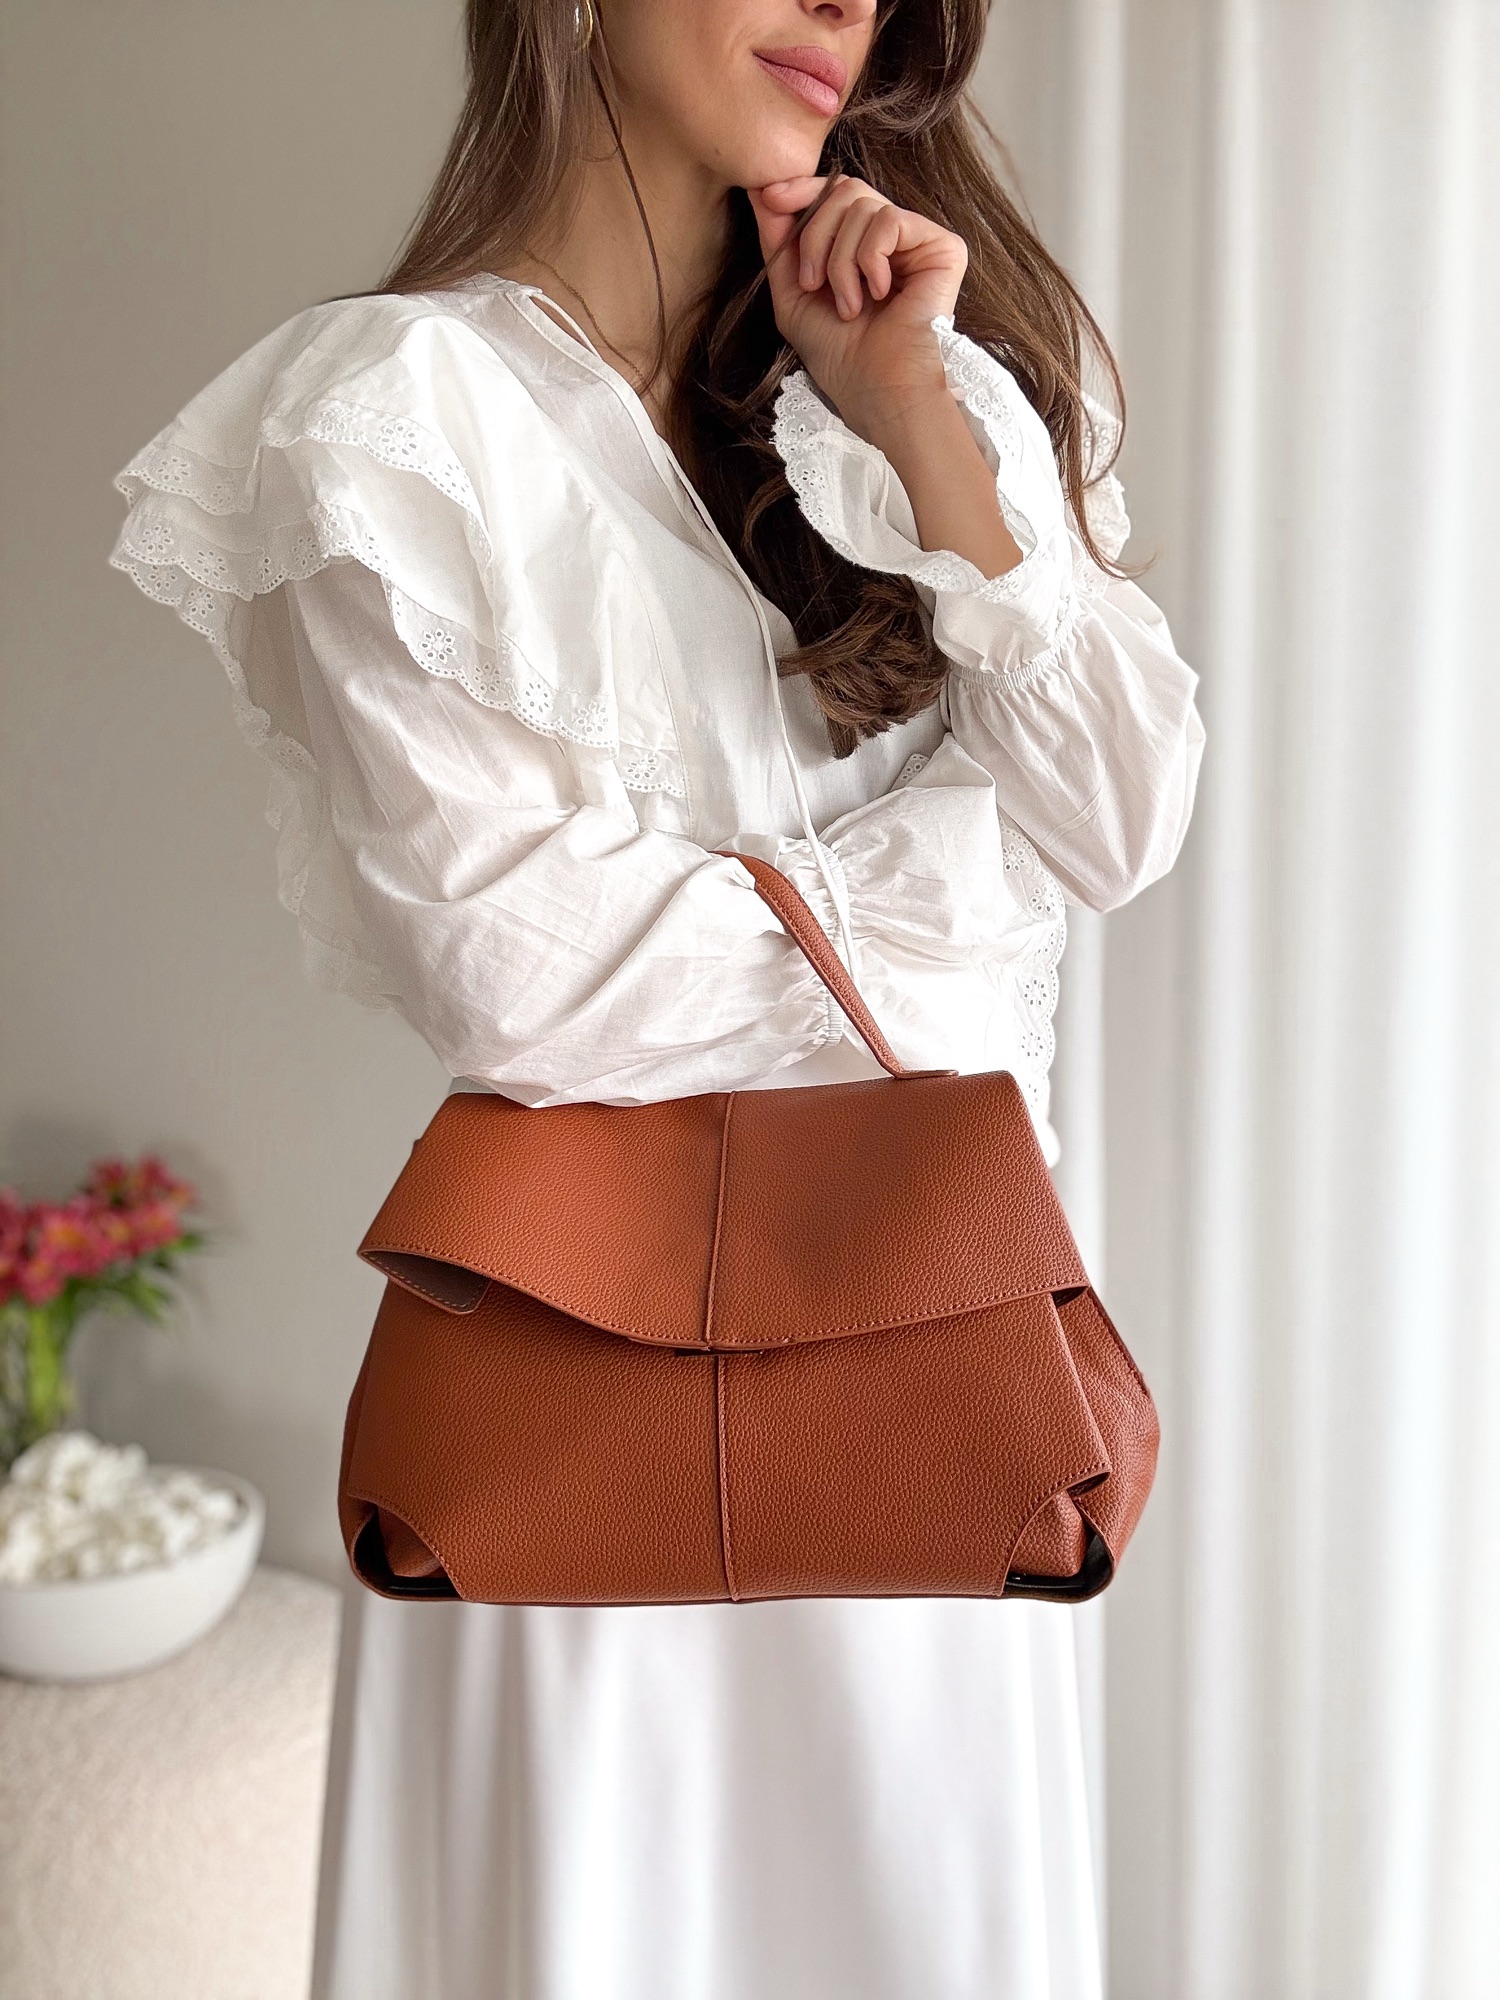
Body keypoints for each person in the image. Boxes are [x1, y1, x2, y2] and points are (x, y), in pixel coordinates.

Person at [111, 1, 1203, 1993]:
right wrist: (959, 894)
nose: (846, 2)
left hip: (931, 1447)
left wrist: (911, 416)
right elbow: (529, 981)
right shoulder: (396, 419)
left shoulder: (930, 379)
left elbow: (1120, 819)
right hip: (570, 1470)